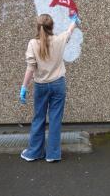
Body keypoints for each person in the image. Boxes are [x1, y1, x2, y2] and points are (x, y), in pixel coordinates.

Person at [19, 12, 80, 162]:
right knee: (55, 119)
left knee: (39, 118)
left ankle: (34, 152)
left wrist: (24, 87)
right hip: (58, 85)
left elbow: (30, 68)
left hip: (41, 86)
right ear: (52, 26)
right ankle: (52, 154)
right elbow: (69, 30)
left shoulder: (33, 43)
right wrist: (74, 20)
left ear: (38, 27)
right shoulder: (59, 40)